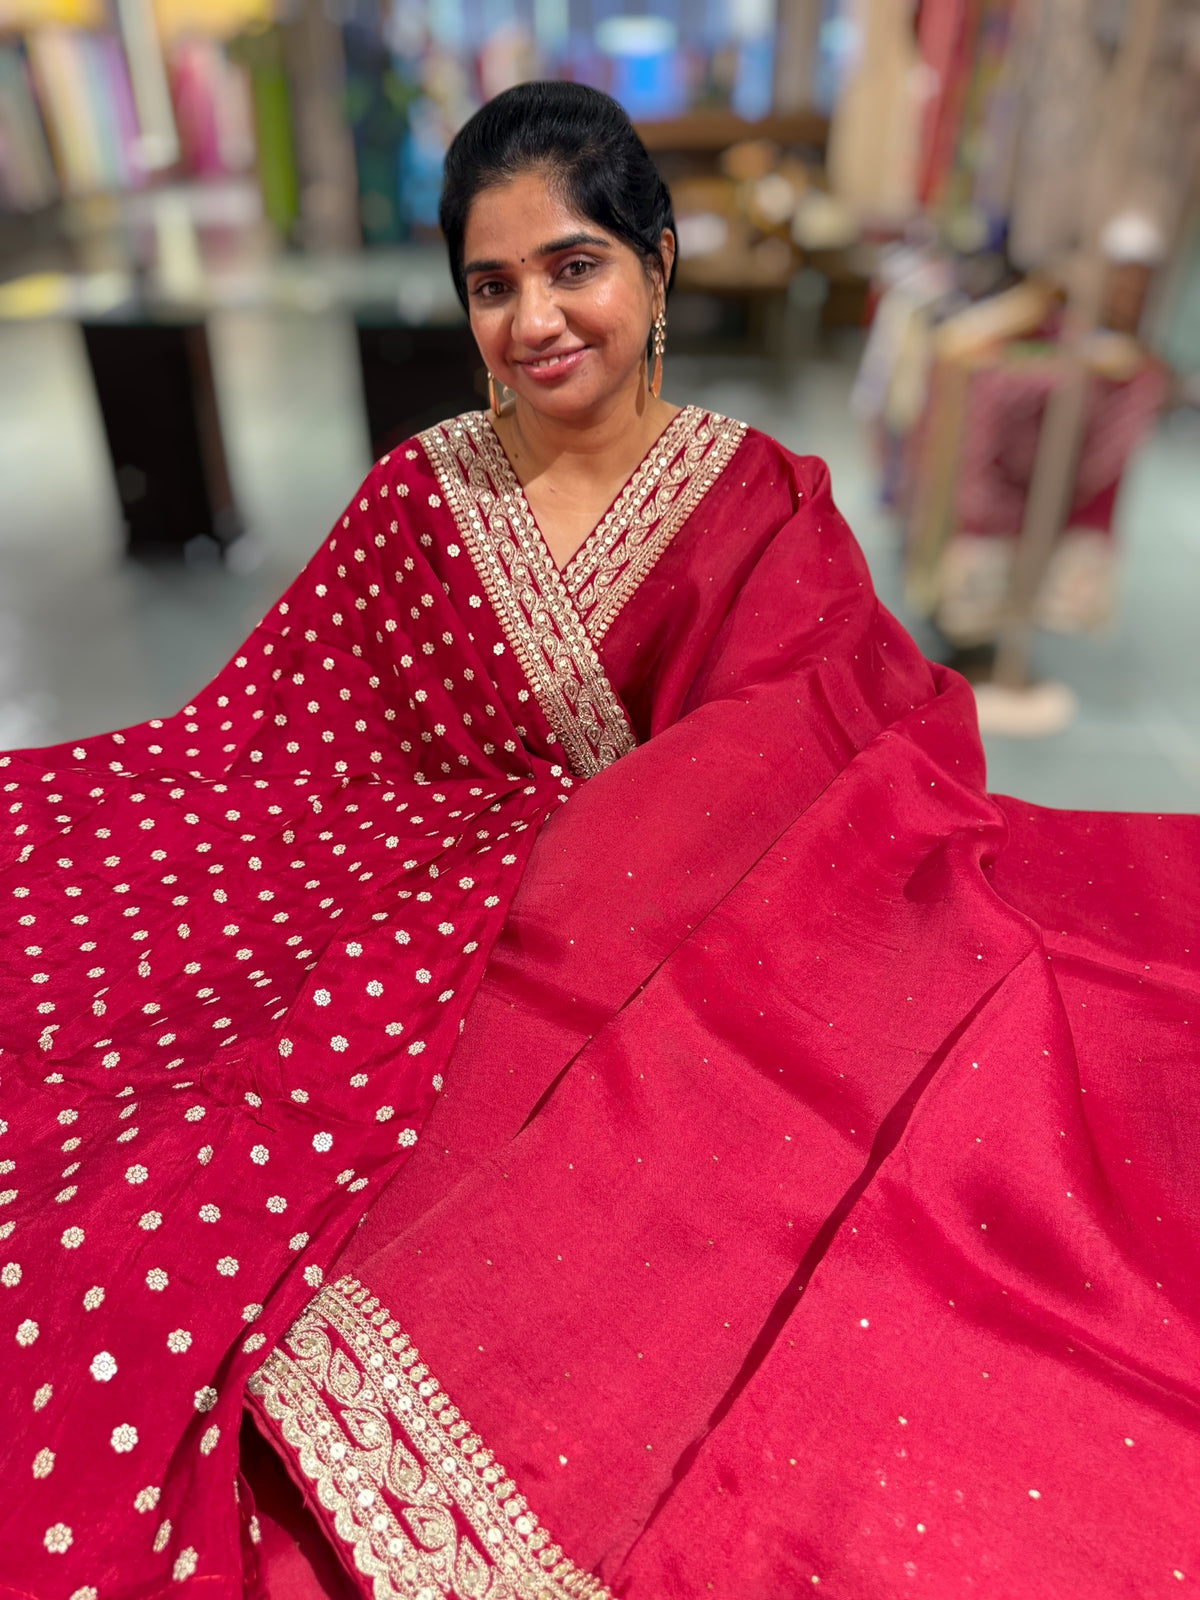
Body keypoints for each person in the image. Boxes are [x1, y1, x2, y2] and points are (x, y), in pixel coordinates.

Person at [1, 82, 1197, 1600]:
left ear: (658, 262)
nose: (535, 319)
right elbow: (272, 735)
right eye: (491, 285)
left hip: (609, 927)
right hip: (376, 882)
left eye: (574, 265)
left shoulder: (757, 501)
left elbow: (809, 762)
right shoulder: (421, 490)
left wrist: (560, 880)